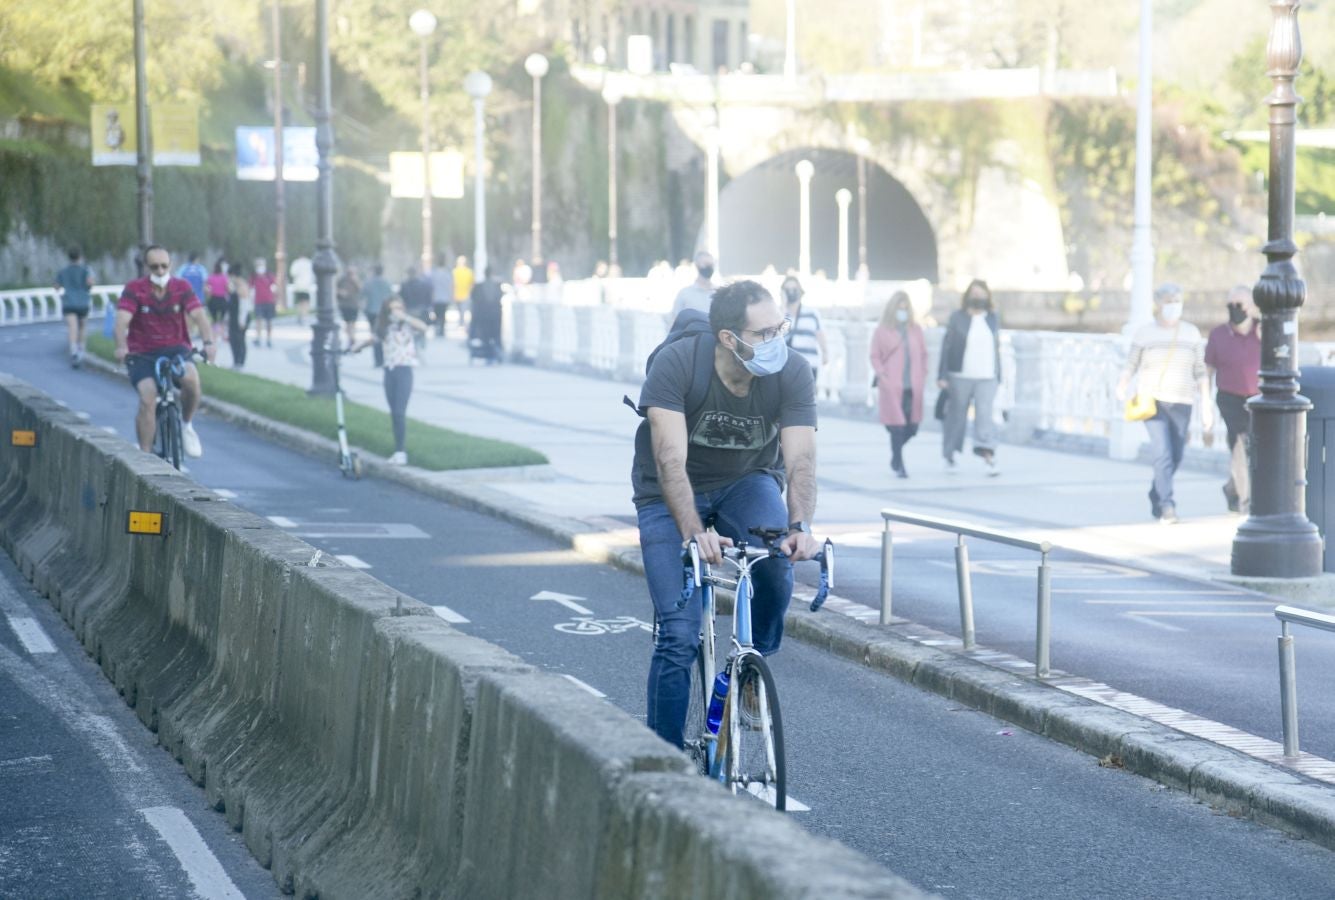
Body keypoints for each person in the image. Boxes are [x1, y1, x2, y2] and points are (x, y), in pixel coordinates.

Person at [632, 279, 819, 750]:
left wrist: (799, 527)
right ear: (728, 339)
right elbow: (670, 460)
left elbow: (800, 460)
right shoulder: (678, 365)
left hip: (747, 480)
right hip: (667, 493)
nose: (776, 341)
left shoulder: (792, 371)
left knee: (777, 565)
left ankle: (751, 669)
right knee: (678, 635)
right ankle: (665, 764)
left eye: (781, 328)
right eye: (763, 334)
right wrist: (693, 533)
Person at [1117, 283, 1214, 524]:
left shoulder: (1191, 333)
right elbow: (1132, 363)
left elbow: (1200, 370)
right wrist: (1122, 384)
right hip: (1153, 400)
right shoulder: (1144, 333)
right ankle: (1167, 504)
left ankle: (1156, 492)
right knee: (1162, 452)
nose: (1173, 305)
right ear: (1158, 304)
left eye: (1177, 300)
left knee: (1177, 454)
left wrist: (1206, 406)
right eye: (1168, 300)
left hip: (1182, 400)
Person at [113, 245, 217, 456]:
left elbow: (199, 315)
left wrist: (208, 342)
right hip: (142, 352)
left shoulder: (181, 286)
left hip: (176, 348)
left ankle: (187, 424)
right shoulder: (134, 289)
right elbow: (122, 321)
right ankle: (144, 455)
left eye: (164, 266)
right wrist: (122, 347)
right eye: (154, 267)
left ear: (170, 265)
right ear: (146, 267)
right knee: (147, 397)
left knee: (191, 380)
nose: (160, 272)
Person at [1205, 285, 1262, 514]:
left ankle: (1232, 488)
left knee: (1255, 448)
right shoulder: (1218, 334)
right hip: (1230, 397)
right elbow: (1208, 369)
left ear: (1251, 307)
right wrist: (1205, 405)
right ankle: (1247, 501)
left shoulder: (1263, 330)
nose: (1235, 309)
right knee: (1240, 443)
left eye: (1240, 305)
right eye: (1231, 305)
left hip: (1259, 398)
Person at [352, 296, 426, 465]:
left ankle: (401, 452)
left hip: (404, 370)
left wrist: (404, 317)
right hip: (389, 371)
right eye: (392, 309)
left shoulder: (407, 325)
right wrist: (357, 347)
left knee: (400, 411)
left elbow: (423, 327)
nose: (396, 312)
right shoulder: (384, 327)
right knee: (394, 412)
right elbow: (373, 339)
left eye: (399, 308)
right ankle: (397, 450)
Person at [938, 279, 1002, 475]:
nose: (977, 297)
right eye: (974, 293)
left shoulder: (992, 318)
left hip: (987, 375)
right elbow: (947, 346)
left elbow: (996, 347)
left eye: (981, 293)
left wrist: (1000, 375)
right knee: (956, 417)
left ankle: (988, 457)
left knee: (985, 417)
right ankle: (950, 455)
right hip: (960, 375)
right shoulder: (957, 318)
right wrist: (942, 375)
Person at [870, 291, 928, 478]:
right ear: (892, 309)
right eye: (899, 308)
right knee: (896, 427)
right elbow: (875, 355)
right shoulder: (882, 331)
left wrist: (923, 373)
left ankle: (895, 456)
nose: (902, 311)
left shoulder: (915, 329)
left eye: (905, 307)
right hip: (892, 386)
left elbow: (923, 354)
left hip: (913, 386)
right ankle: (900, 465)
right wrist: (882, 374)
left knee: (912, 427)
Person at [781, 275, 827, 383]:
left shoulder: (812, 313)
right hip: (787, 367)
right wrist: (783, 307)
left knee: (807, 398)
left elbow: (820, 334)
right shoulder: (782, 314)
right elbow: (779, 334)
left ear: (800, 291)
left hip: (809, 364)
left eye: (794, 289)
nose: (791, 292)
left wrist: (825, 353)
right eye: (787, 290)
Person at [54, 246, 93, 367]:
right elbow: (90, 283)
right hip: (82, 302)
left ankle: (73, 351)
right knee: (82, 326)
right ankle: (81, 349)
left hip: (69, 302)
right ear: (80, 256)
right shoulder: (86, 269)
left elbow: (56, 286)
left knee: (72, 327)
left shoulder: (63, 271)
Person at [468, 265, 504, 364]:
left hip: (483, 316)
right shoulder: (496, 286)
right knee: (495, 336)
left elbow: (473, 299)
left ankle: (490, 354)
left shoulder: (478, 286)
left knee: (486, 336)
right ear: (491, 274)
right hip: (494, 316)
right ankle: (493, 354)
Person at [361, 264, 393, 367]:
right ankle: (386, 357)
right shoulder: (387, 283)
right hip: (384, 313)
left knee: (375, 335)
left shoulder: (368, 283)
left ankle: (378, 360)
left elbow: (362, 295)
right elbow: (391, 297)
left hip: (372, 312)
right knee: (385, 335)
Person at [669, 251, 716, 319]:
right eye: (706, 264)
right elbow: (674, 320)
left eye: (711, 264)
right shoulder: (685, 294)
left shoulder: (719, 293)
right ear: (697, 265)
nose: (709, 267)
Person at [226, 260, 250, 370]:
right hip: (233, 317)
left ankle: (240, 361)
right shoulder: (234, 286)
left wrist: (242, 320)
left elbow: (244, 306)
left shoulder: (242, 287)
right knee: (233, 339)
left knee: (239, 339)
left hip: (240, 318)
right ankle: (235, 361)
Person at [250, 258, 277, 347]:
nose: (260, 267)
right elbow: (250, 287)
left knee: (269, 321)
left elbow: (274, 287)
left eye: (261, 265)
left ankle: (269, 339)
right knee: (258, 320)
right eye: (258, 265)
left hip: (269, 301)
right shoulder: (254, 276)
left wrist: (275, 298)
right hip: (258, 301)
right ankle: (258, 338)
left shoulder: (269, 275)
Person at [337, 264, 364, 350]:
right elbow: (335, 288)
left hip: (354, 305)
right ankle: (350, 339)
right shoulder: (342, 279)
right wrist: (340, 292)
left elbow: (361, 290)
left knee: (353, 323)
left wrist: (356, 280)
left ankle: (352, 339)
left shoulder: (356, 279)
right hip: (344, 305)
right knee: (347, 324)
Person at [205, 259, 231, 343]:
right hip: (222, 299)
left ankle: (214, 336)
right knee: (222, 319)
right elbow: (228, 288)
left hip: (213, 299)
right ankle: (222, 335)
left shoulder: (210, 277)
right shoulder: (224, 278)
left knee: (214, 319)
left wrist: (209, 295)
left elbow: (207, 289)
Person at [430, 252, 454, 337]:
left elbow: (431, 286)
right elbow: (451, 285)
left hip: (436, 297)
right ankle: (441, 330)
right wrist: (451, 296)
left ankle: (438, 329)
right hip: (444, 298)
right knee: (443, 314)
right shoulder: (448, 272)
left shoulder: (434, 272)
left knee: (437, 314)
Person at [289, 254, 314, 323]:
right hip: (306, 286)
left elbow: (292, 273)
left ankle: (300, 315)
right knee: (306, 302)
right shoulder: (309, 263)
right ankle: (304, 316)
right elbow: (312, 274)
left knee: (299, 302)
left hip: (298, 286)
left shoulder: (296, 263)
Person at [451, 255, 474, 329]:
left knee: (463, 311)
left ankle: (462, 325)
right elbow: (452, 284)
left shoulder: (469, 272)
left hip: (465, 295)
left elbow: (472, 284)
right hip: (457, 295)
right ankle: (461, 324)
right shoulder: (454, 272)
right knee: (460, 311)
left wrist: (470, 292)